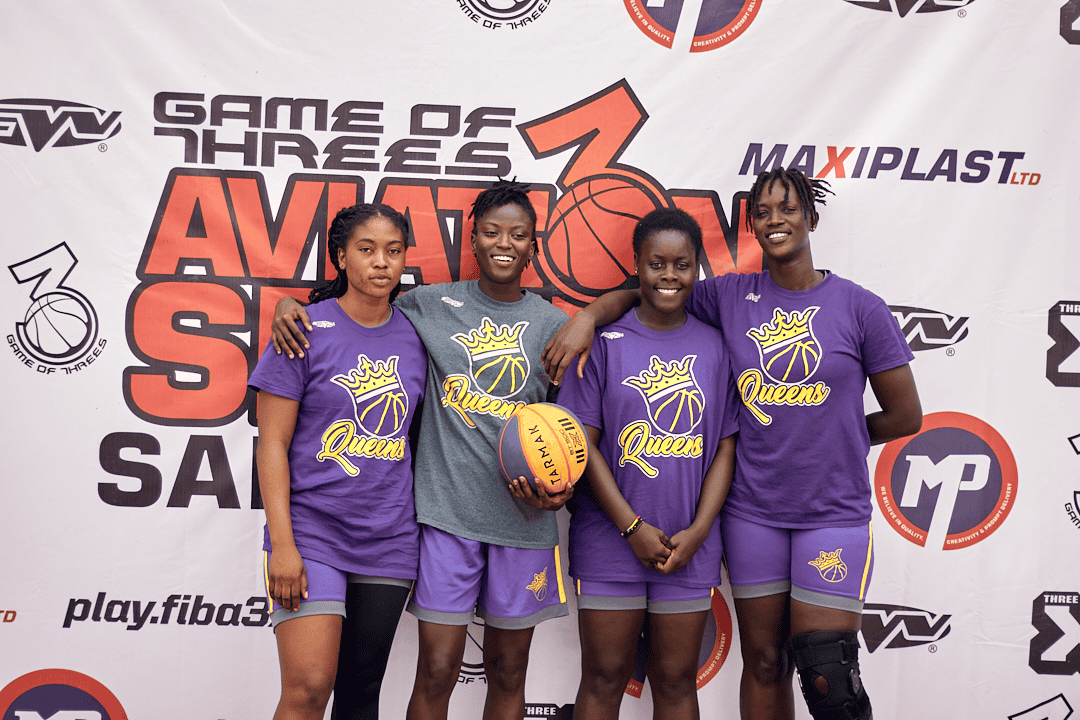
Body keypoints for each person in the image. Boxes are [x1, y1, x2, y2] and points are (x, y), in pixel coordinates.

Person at [542, 168, 922, 720]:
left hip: (831, 510)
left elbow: (905, 416)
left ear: (812, 218)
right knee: (764, 662)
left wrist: (832, 435)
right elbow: (654, 291)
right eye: (763, 212)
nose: (775, 221)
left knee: (829, 673)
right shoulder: (728, 296)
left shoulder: (860, 307)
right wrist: (589, 317)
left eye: (788, 209)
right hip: (752, 513)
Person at [271, 179, 573, 720]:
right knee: (353, 682)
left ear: (534, 244)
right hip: (421, 523)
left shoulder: (547, 326)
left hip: (466, 529)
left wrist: (591, 317)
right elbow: (352, 314)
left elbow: (575, 424)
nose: (381, 262)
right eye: (492, 232)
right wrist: (288, 304)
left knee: (484, 676)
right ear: (473, 241)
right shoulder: (424, 308)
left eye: (393, 250)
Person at [557, 208, 738, 720]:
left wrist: (700, 531)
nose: (669, 276)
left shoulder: (716, 345)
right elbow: (581, 445)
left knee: (677, 681)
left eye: (682, 264)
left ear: (697, 267)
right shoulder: (602, 344)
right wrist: (631, 527)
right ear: (636, 265)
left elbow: (725, 447)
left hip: (687, 547)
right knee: (603, 677)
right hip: (609, 542)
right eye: (657, 263)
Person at [252, 203, 427, 720]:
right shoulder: (302, 330)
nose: (381, 262)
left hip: (389, 539)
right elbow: (272, 444)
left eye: (393, 250)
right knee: (307, 690)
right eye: (366, 249)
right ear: (341, 256)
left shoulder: (417, 335)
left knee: (360, 695)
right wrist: (283, 545)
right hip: (312, 535)